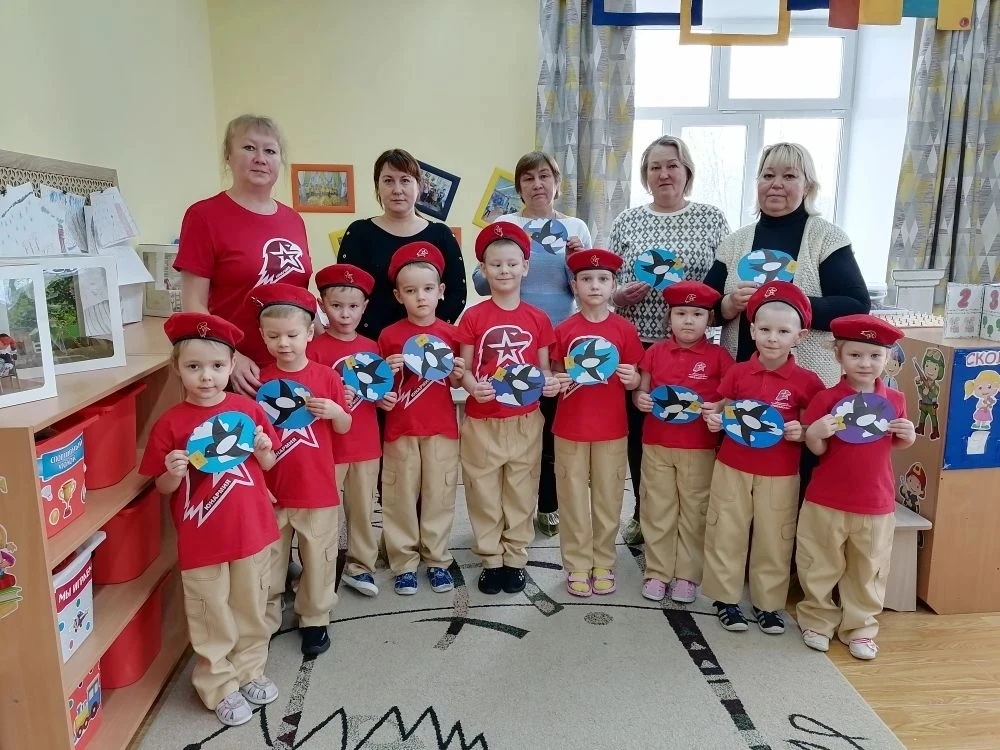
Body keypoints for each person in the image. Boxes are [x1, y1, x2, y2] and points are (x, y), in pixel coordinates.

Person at [138, 312, 281, 727]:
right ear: (177, 368)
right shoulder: (170, 423)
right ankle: (218, 683)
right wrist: (172, 471)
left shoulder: (247, 410)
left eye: (217, 366)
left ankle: (250, 669)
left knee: (251, 605)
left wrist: (262, 449)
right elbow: (162, 487)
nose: (206, 377)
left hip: (251, 530)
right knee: (209, 612)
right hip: (202, 538)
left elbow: (269, 463)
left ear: (232, 364)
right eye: (193, 366)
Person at [609, 135, 731, 544]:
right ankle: (643, 513)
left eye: (672, 165)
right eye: (655, 167)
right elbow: (606, 285)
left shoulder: (711, 219)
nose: (664, 174)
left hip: (698, 348)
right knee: (644, 432)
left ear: (687, 171)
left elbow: (726, 282)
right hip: (640, 345)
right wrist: (618, 296)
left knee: (692, 430)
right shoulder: (627, 221)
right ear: (645, 176)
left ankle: (691, 515)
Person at [472, 151, 594, 538]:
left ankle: (548, 504)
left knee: (554, 427)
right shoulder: (506, 225)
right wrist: (499, 262)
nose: (537, 184)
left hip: (561, 341)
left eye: (544, 176)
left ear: (557, 183)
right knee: (517, 423)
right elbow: (481, 282)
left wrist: (577, 260)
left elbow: (587, 286)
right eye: (528, 178)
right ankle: (509, 505)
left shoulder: (575, 227)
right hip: (514, 343)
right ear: (519, 187)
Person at [702, 282, 825, 634]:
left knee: (775, 536)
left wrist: (802, 430)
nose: (773, 338)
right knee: (726, 529)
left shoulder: (807, 381)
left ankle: (768, 604)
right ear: (753, 330)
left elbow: (813, 424)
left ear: (799, 336)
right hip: (732, 466)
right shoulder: (738, 372)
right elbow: (722, 406)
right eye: (766, 329)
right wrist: (714, 417)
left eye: (783, 331)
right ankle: (725, 599)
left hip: (780, 472)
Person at [796, 314, 915, 660]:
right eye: (855, 355)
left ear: (887, 358)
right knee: (819, 563)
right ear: (839, 355)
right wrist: (815, 433)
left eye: (875, 355)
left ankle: (860, 627)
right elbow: (817, 449)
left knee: (868, 569)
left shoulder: (896, 399)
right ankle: (817, 620)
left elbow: (894, 444)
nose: (865, 363)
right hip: (826, 500)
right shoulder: (826, 398)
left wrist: (908, 436)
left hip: (875, 501)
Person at [704, 142, 871, 387]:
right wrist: (728, 305)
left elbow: (856, 305)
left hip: (807, 385)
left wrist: (791, 304)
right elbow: (703, 306)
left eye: (789, 176)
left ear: (808, 186)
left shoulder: (827, 238)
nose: (776, 184)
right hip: (740, 381)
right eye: (768, 175)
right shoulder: (734, 243)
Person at [175, 114, 312, 396]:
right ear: (228, 155)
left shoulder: (293, 220)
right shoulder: (204, 216)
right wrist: (229, 355)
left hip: (291, 365)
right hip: (235, 373)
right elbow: (193, 304)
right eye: (249, 148)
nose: (260, 158)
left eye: (270, 151)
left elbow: (300, 296)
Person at [457, 223, 559, 596]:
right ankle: (491, 558)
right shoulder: (473, 317)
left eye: (512, 264)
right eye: (496, 264)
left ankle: (515, 557)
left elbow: (544, 369)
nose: (504, 271)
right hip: (483, 420)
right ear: (483, 269)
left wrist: (549, 382)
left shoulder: (538, 318)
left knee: (521, 489)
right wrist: (472, 386)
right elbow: (465, 369)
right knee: (483, 491)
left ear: (525, 267)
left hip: (525, 419)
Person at [253, 284, 351, 656]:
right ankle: (266, 617)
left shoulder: (326, 377)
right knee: (269, 558)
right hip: (273, 488)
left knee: (320, 556)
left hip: (316, 488)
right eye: (274, 336)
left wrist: (336, 411)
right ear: (262, 336)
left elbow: (344, 426)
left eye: (292, 335)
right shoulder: (260, 380)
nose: (284, 343)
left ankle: (314, 618)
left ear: (309, 333)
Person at [633, 281, 733, 604]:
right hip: (657, 444)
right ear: (669, 317)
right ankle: (657, 571)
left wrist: (717, 408)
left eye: (697, 314)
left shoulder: (719, 357)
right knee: (657, 507)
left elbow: (729, 399)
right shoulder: (655, 352)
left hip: (699, 447)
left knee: (695, 511)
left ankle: (687, 575)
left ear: (710, 319)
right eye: (680, 313)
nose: (688, 321)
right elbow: (641, 391)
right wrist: (640, 399)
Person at [550, 249, 643, 597]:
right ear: (574, 285)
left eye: (603, 279)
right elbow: (553, 373)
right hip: (570, 428)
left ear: (613, 285)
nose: (594, 285)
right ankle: (576, 563)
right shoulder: (564, 329)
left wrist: (634, 379)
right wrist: (556, 379)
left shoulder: (624, 329)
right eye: (586, 279)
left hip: (612, 429)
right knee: (572, 498)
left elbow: (636, 379)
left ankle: (603, 561)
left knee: (608, 499)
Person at [378, 242, 466, 596]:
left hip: (441, 428)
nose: (420, 297)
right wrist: (386, 371)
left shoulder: (451, 334)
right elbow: (379, 389)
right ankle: (403, 563)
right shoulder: (389, 335)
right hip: (400, 428)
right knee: (399, 495)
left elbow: (456, 383)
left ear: (441, 291)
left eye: (428, 289)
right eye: (411, 291)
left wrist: (458, 373)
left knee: (439, 494)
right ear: (398, 295)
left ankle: (437, 559)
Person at [308, 264, 389, 598]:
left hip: (366, 444)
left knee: (363, 509)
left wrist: (384, 398)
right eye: (336, 306)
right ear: (322, 305)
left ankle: (361, 566)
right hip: (327, 446)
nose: (345, 314)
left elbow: (378, 392)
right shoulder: (314, 349)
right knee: (322, 513)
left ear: (364, 307)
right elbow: (305, 395)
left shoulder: (373, 346)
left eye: (353, 306)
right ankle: (320, 568)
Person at [337, 148, 467, 340]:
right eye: (388, 181)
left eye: (405, 180)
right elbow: (347, 292)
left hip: (429, 344)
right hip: (371, 343)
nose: (397, 190)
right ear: (377, 186)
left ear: (419, 185)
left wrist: (428, 333)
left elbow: (456, 294)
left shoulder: (441, 235)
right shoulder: (359, 233)